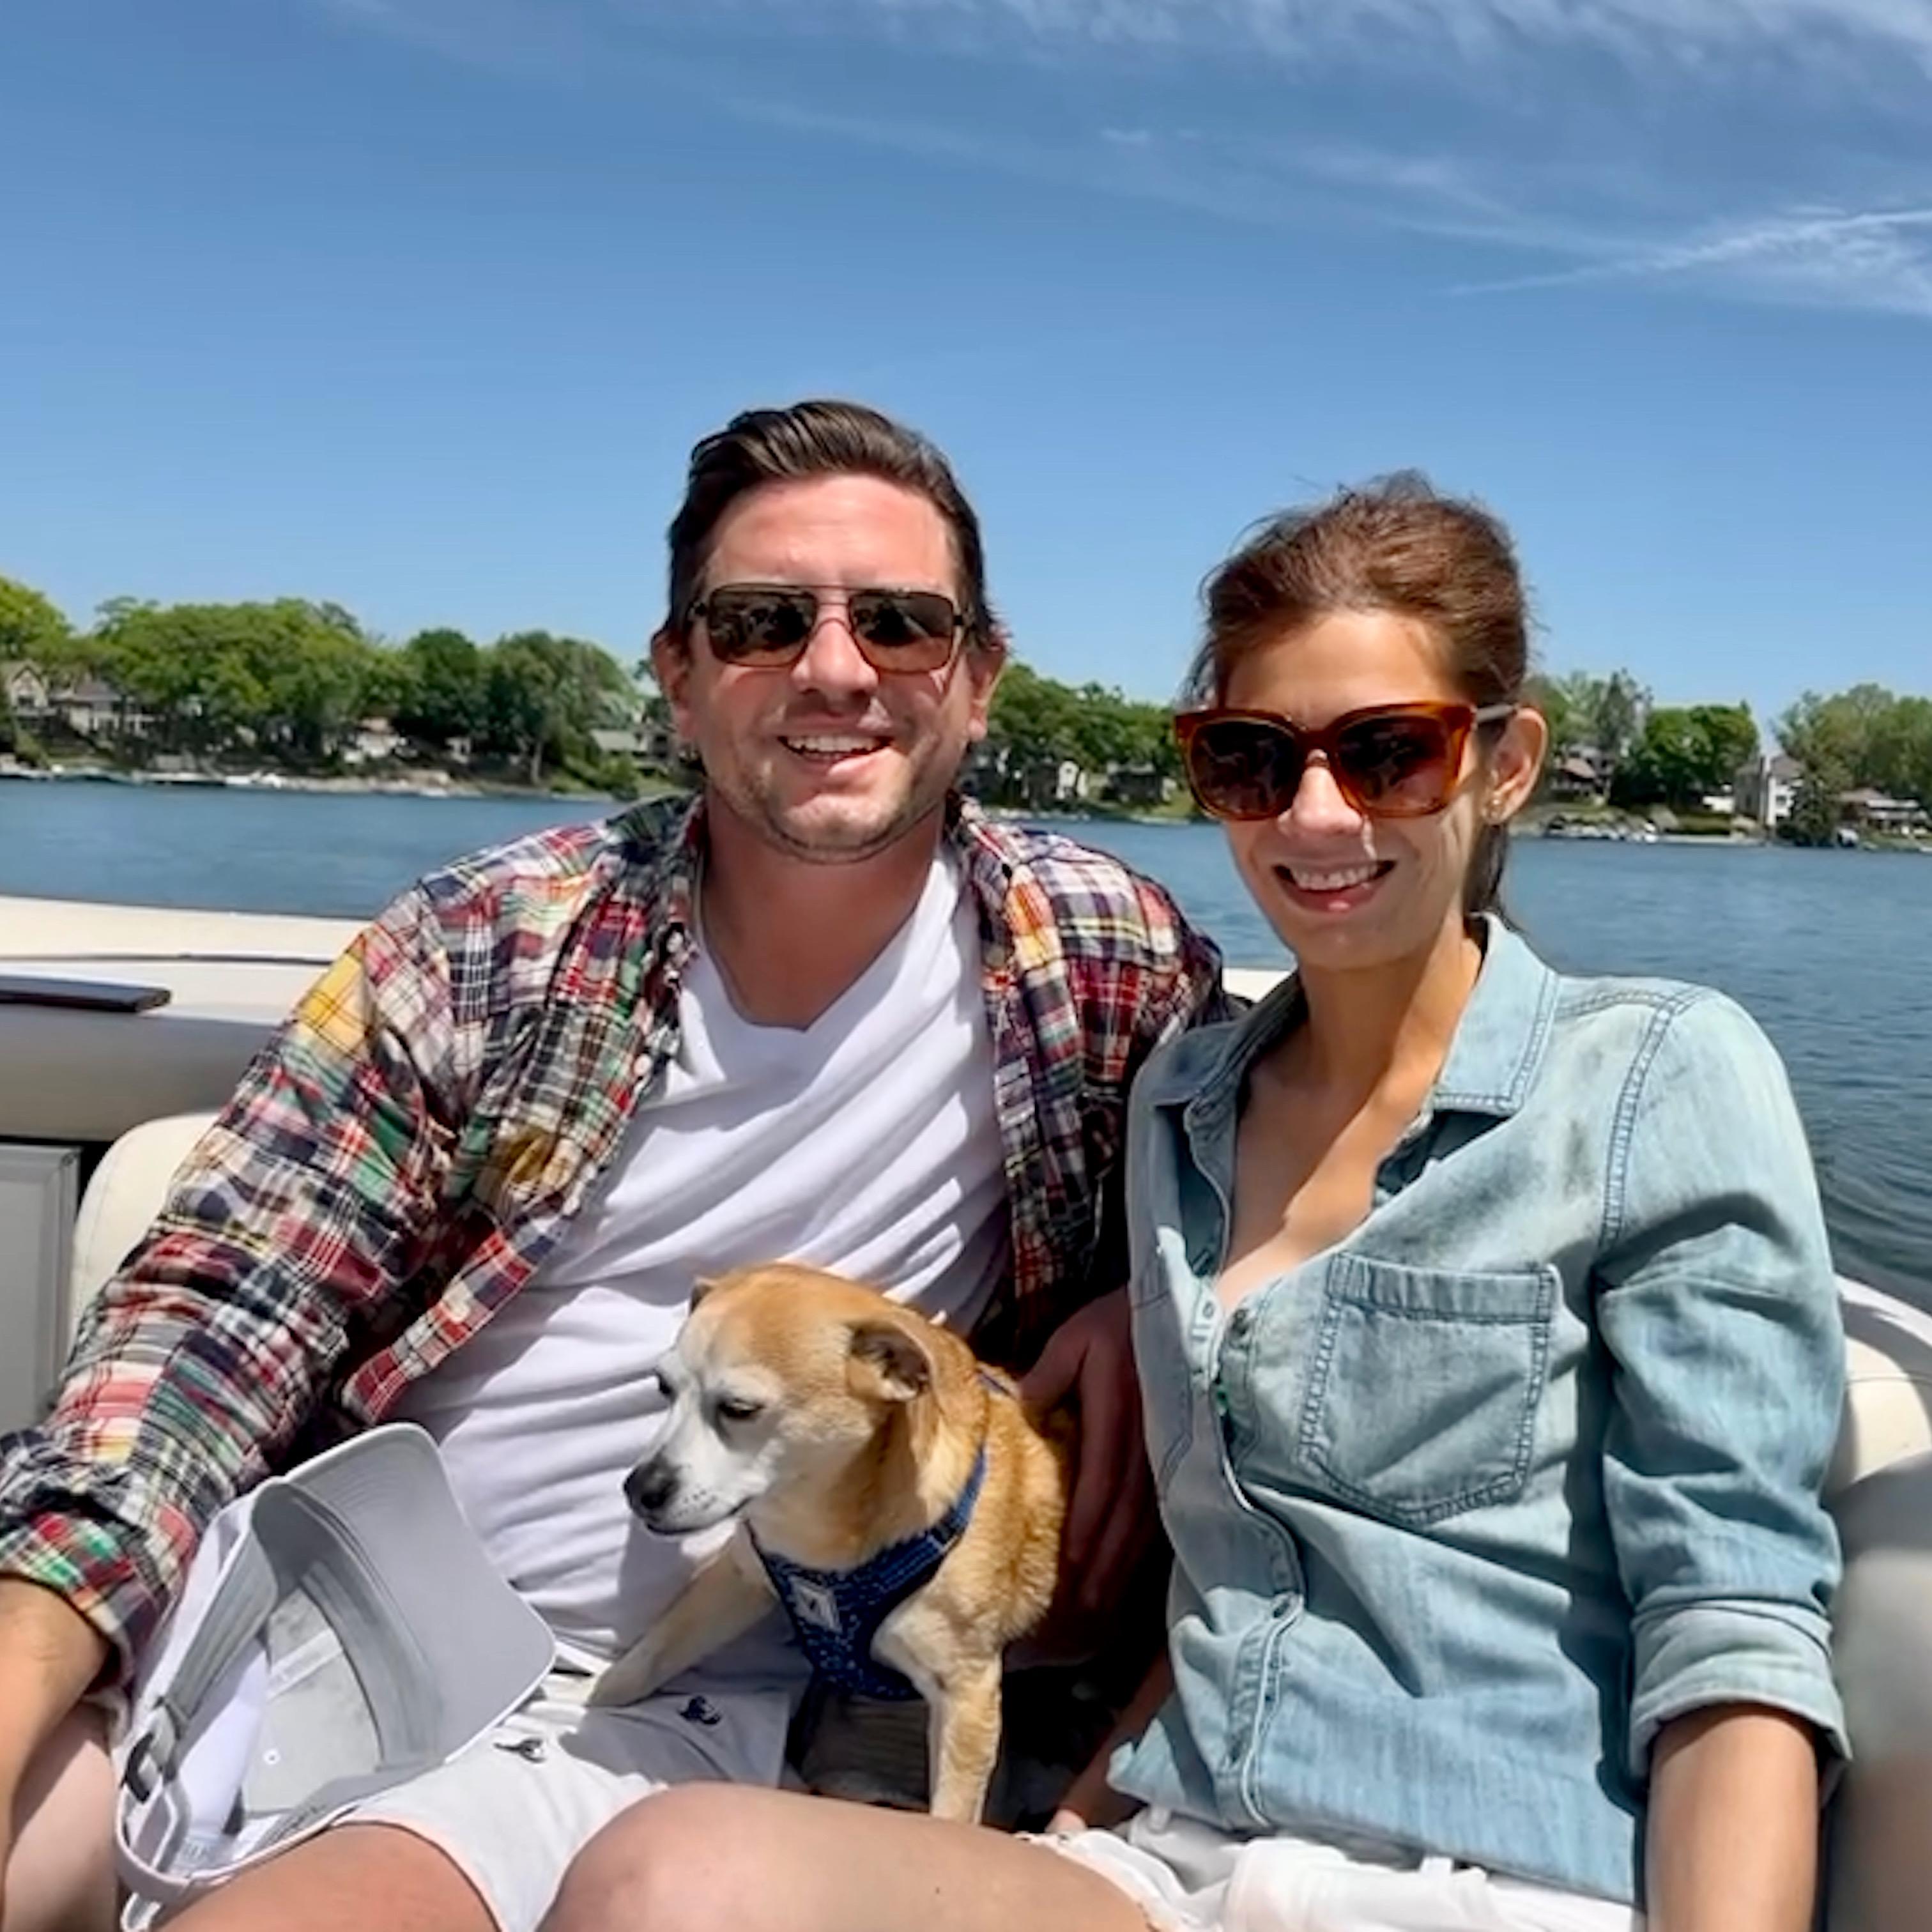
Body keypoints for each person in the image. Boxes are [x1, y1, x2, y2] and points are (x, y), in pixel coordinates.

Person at [542, 474, 1848, 1932]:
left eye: (1390, 755)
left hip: (1486, 1877)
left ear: (1505, 764)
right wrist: (1074, 1829)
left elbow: (1732, 1626)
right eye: (1249, 758)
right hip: (1173, 1858)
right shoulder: (1175, 1104)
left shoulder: (1653, 1079)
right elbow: (1242, 1578)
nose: (1315, 814)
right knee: (665, 1878)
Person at [0, 399, 1227, 1932]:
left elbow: (1307, 1171)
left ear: (976, 680)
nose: (836, 668)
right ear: (679, 674)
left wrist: (1155, 1299)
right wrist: (33, 1647)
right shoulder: (488, 944)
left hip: (638, 1702)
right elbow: (222, 1311)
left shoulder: (1099, 964)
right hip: (309, 1598)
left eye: (901, 624)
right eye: (762, 621)